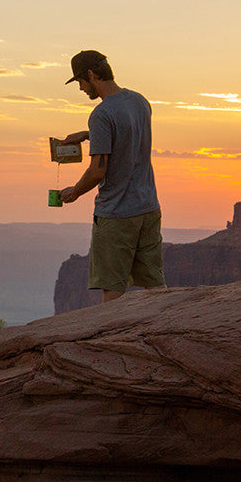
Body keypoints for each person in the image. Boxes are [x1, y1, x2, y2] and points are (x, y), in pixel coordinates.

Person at [59, 50, 165, 303]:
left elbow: (98, 170)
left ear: (91, 75)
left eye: (81, 82)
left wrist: (74, 191)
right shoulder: (140, 101)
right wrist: (89, 135)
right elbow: (128, 134)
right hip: (148, 207)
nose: (81, 89)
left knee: (113, 289)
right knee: (155, 286)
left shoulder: (101, 114)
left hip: (117, 214)